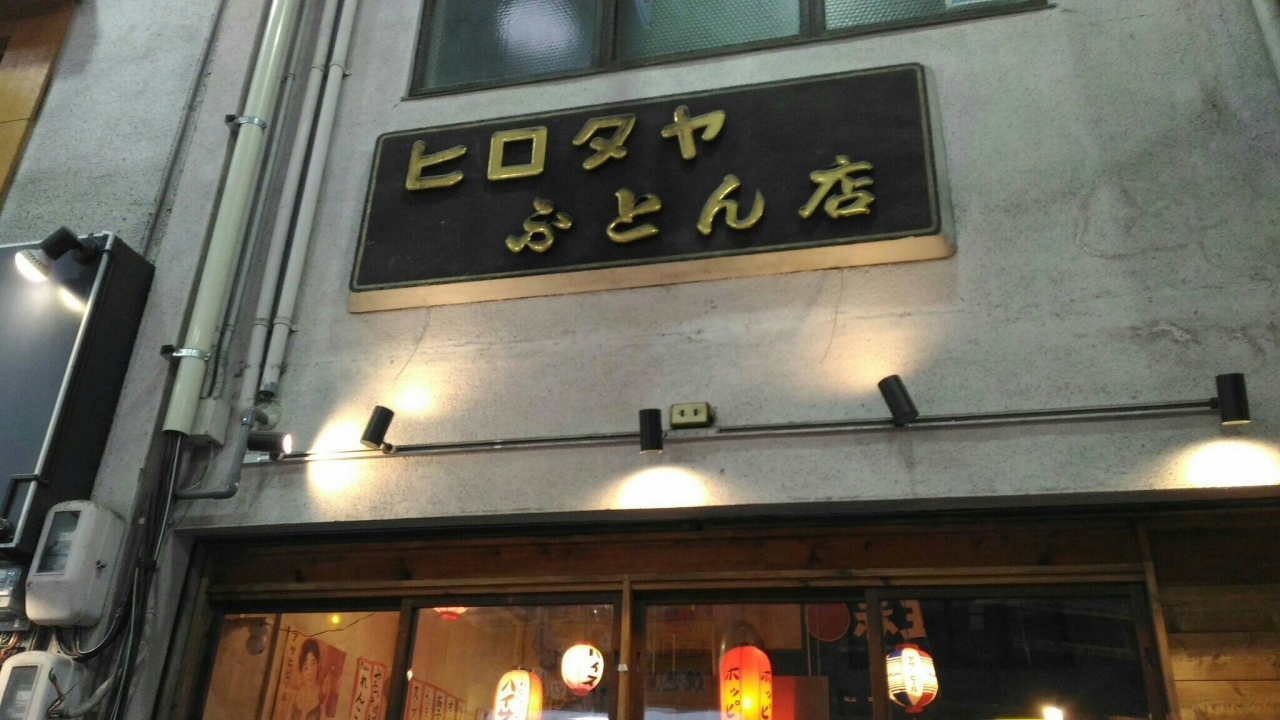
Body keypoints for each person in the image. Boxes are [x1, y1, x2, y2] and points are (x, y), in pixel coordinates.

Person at [290, 638, 329, 720]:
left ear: (318, 665)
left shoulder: (321, 699)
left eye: (313, 664)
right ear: (301, 671)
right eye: (306, 667)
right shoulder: (295, 698)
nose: (310, 672)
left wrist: (324, 703)